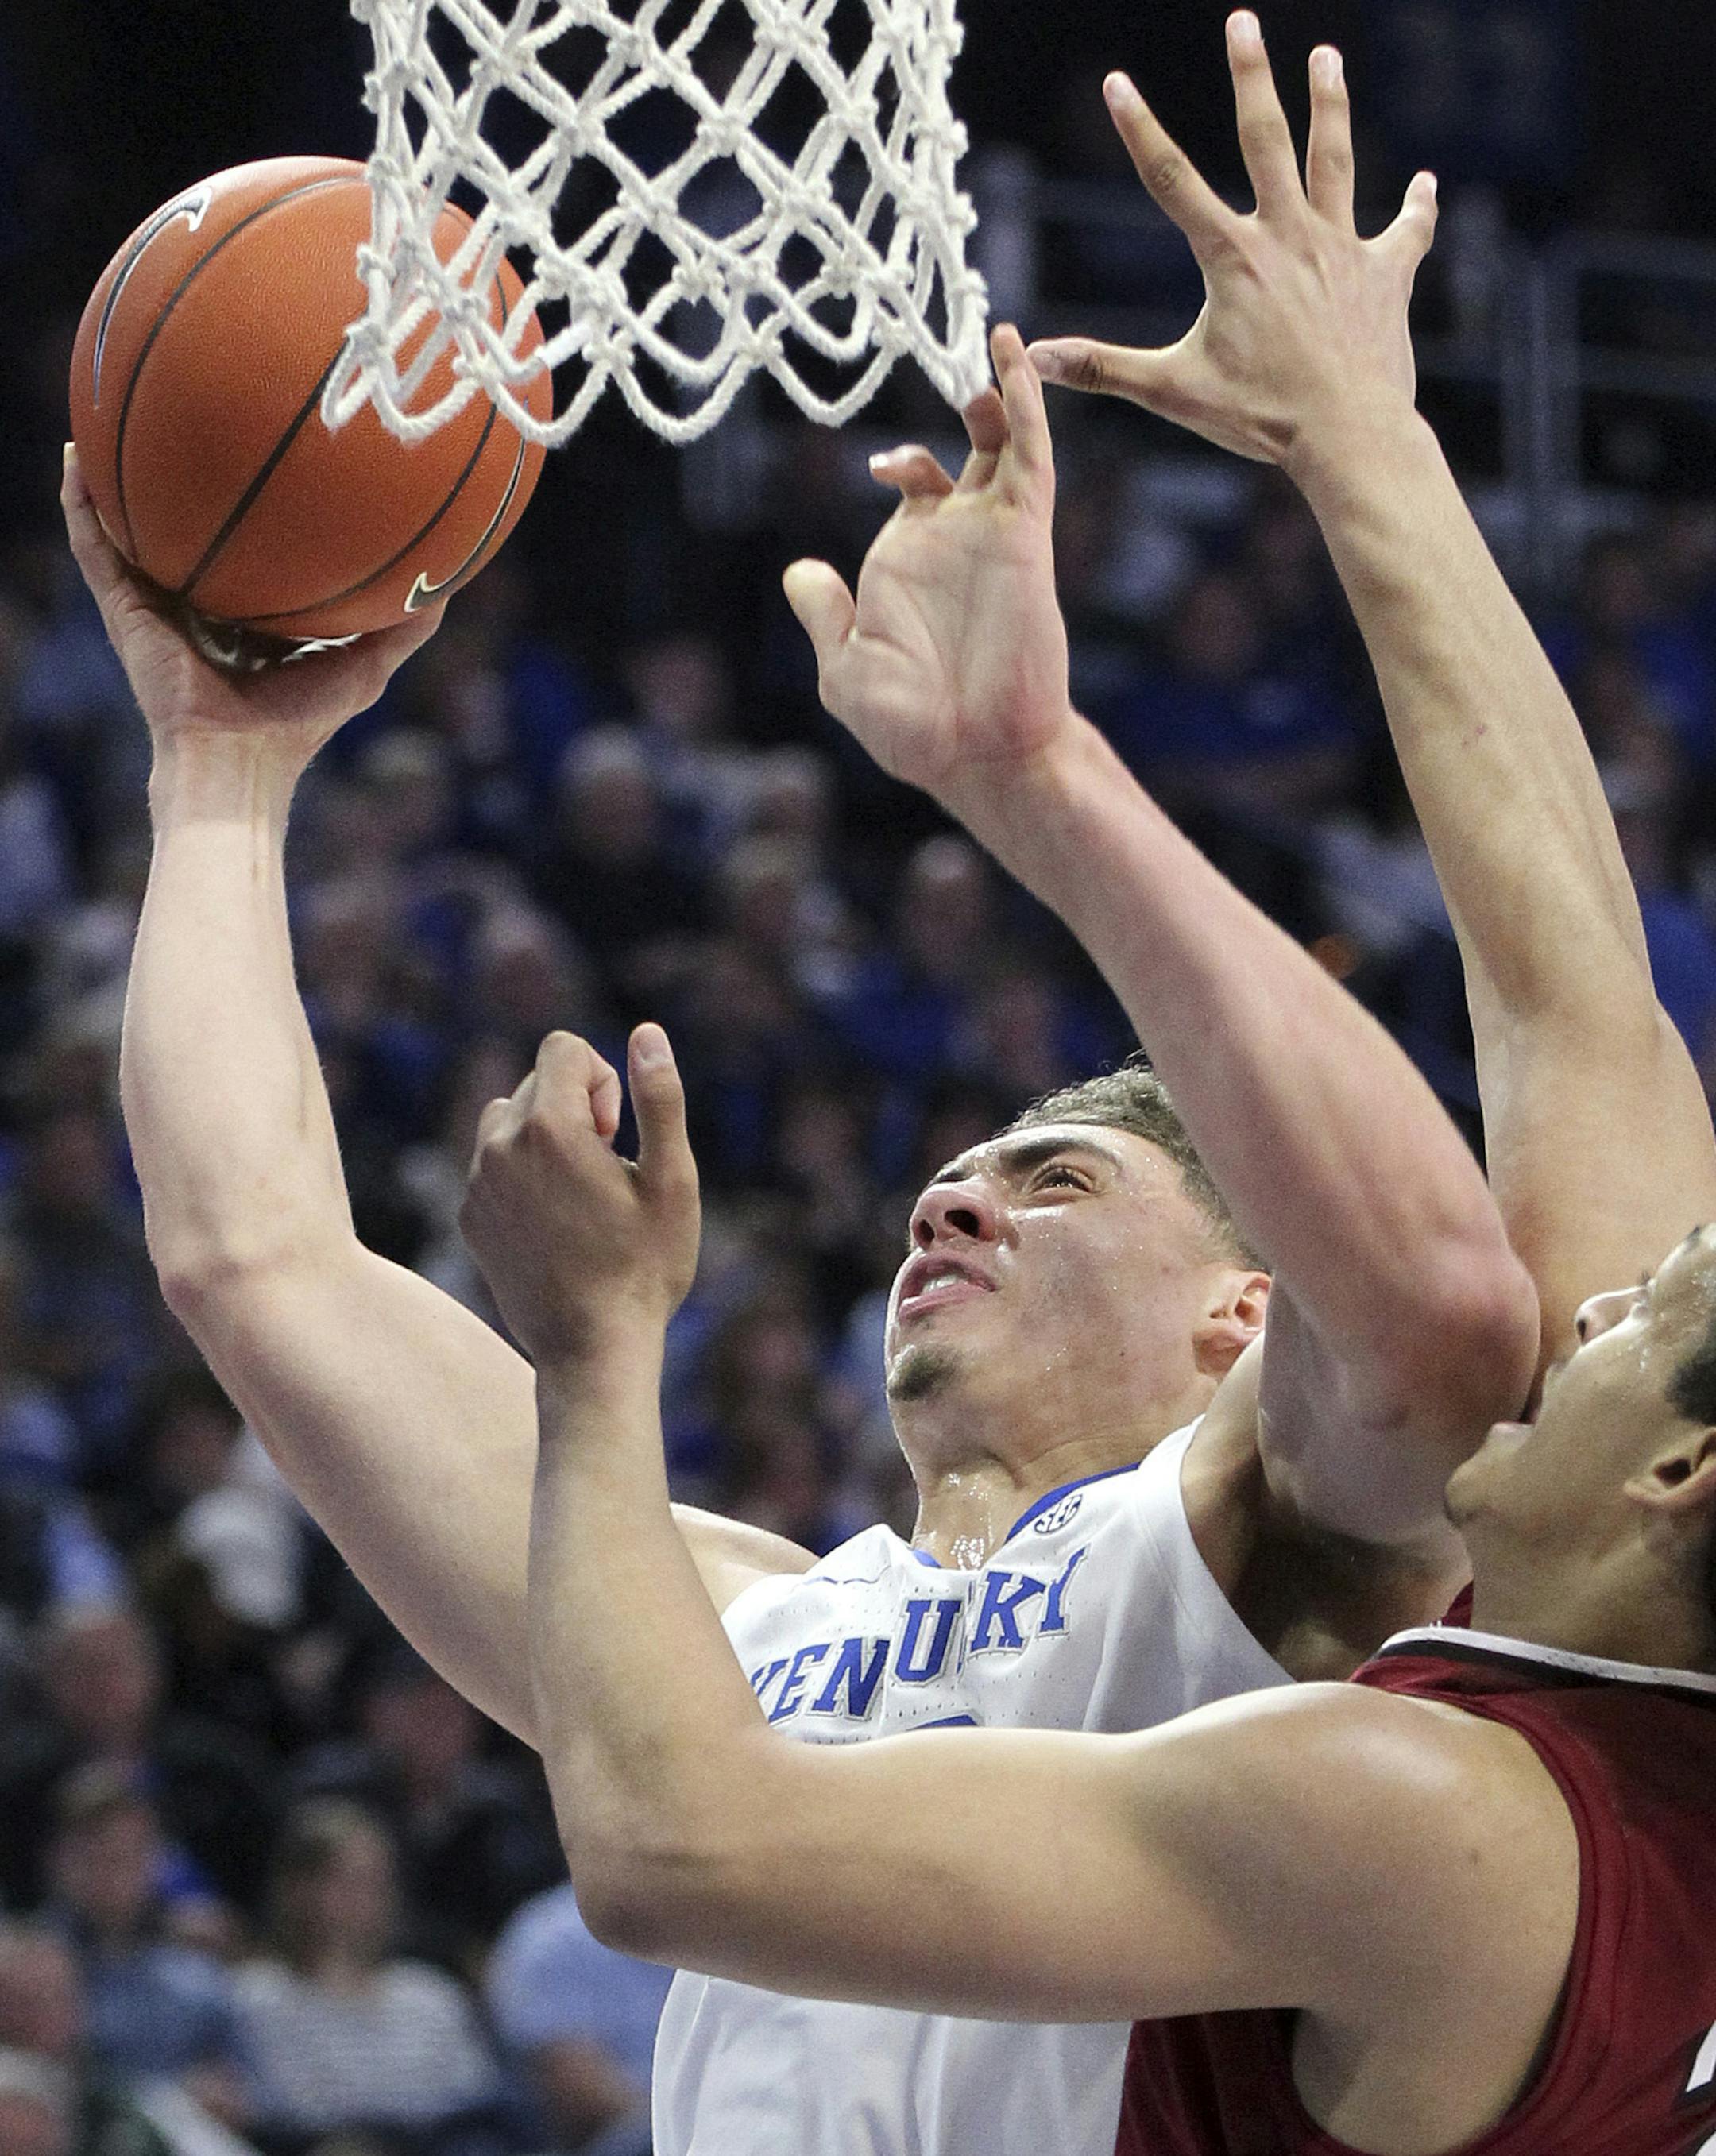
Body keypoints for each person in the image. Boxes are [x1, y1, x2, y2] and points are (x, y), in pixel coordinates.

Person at [67, 75, 1540, 2156]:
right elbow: (255, 1262)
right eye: (956, 1179)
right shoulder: (755, 1629)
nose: (951, 1205)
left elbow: (1440, 1322)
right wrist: (218, 777)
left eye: (1056, 1180)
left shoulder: (1249, 1561)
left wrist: (1044, 775)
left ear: (1243, 1311)